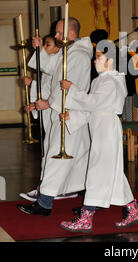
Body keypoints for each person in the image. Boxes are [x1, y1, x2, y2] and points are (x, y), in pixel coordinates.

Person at [58, 43, 138, 232]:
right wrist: (73, 116)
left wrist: (73, 89)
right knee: (110, 170)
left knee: (98, 170)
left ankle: (86, 217)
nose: (95, 60)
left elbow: (95, 102)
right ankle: (132, 209)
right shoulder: (100, 80)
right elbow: (92, 107)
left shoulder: (112, 81)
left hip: (107, 129)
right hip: (99, 127)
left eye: (99, 57)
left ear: (111, 60)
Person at [17, 17, 93, 216]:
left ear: (72, 33)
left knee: (57, 158)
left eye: (60, 33)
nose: (57, 36)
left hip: (70, 114)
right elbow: (50, 69)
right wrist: (40, 49)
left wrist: (49, 103)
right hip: (62, 113)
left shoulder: (78, 56)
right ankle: (89, 202)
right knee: (79, 161)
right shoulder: (68, 53)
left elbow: (68, 86)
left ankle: (44, 203)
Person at [18, 34, 78, 202]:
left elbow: (57, 92)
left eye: (48, 45)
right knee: (48, 150)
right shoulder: (51, 67)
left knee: (53, 151)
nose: (45, 48)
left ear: (58, 48)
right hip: (49, 112)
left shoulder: (61, 65)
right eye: (44, 45)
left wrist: (44, 101)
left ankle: (47, 189)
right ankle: (47, 186)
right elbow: (45, 90)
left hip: (58, 112)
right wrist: (35, 101)